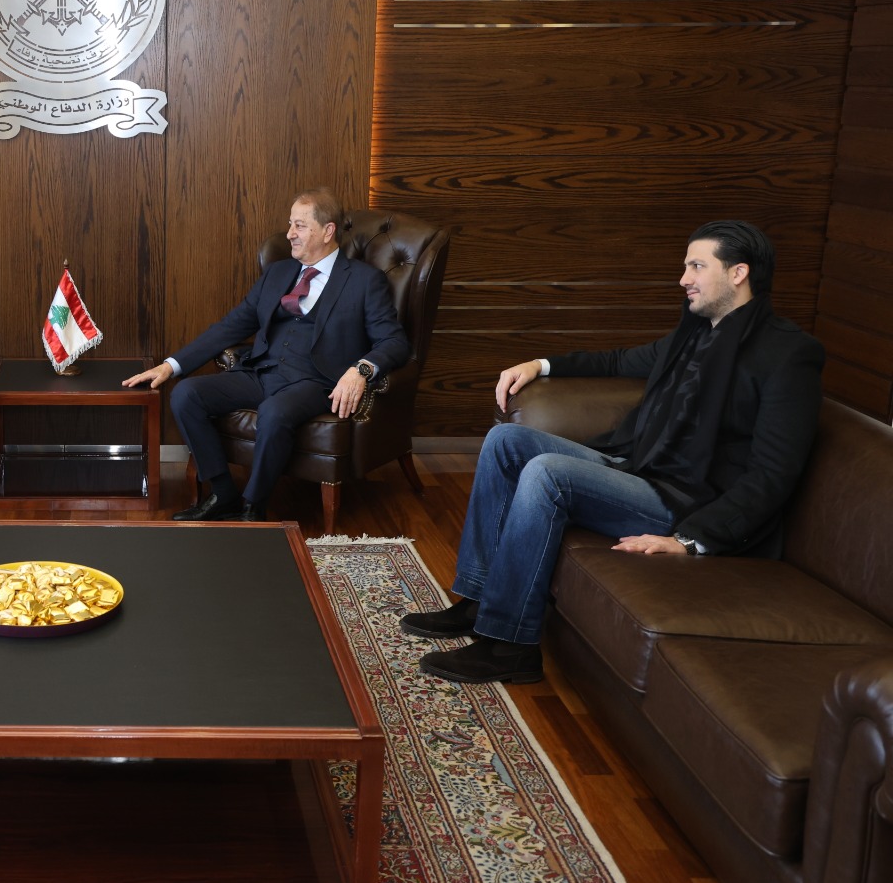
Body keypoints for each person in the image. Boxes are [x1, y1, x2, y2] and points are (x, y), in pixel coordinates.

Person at [403, 220, 824, 685]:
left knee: (547, 472)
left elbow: (773, 473)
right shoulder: (694, 333)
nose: (683, 278)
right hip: (640, 468)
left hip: (685, 501)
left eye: (697, 266)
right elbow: (619, 360)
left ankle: (509, 647)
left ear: (738, 273)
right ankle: (480, 600)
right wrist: (539, 364)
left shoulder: (788, 354)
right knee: (506, 441)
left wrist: (690, 541)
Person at [123, 188, 409, 521]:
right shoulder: (278, 273)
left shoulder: (364, 280)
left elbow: (394, 341)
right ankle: (223, 493)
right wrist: (172, 366)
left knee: (274, 412)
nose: (289, 234)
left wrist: (361, 369)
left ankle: (253, 507)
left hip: (315, 381)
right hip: (262, 372)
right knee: (187, 394)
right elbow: (232, 325)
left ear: (328, 231)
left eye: (300, 226)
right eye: (290, 224)